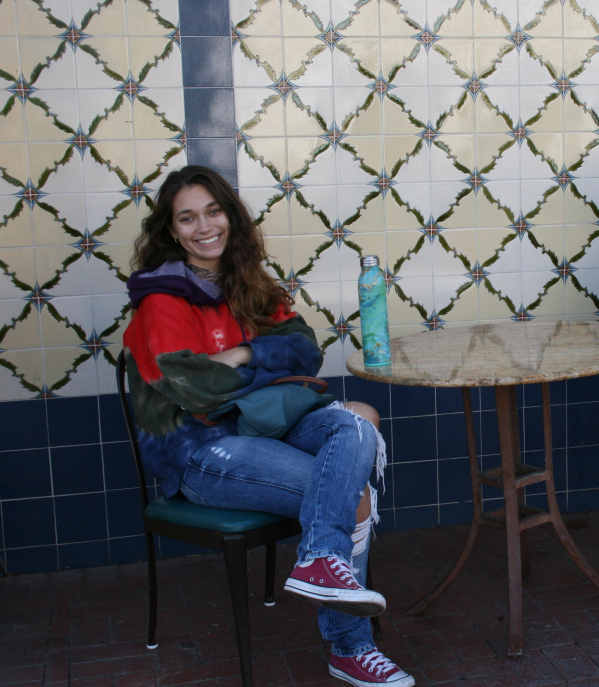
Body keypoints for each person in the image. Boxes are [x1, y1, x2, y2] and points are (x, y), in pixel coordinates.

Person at [122, 165, 414, 686]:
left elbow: (306, 347)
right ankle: (349, 647)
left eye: (213, 211)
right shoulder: (162, 300)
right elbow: (195, 389)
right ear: (171, 231)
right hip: (201, 452)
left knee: (357, 428)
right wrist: (268, 368)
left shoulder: (247, 281)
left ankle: (321, 559)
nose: (204, 226)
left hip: (261, 427)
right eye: (187, 218)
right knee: (352, 494)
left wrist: (243, 353)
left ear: (229, 216)